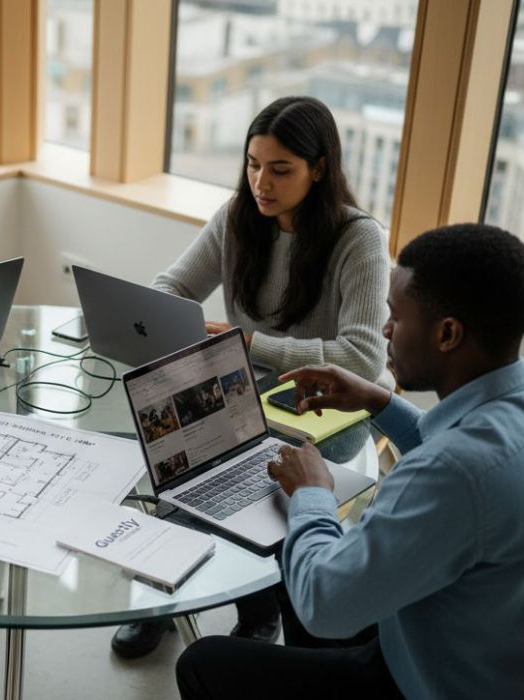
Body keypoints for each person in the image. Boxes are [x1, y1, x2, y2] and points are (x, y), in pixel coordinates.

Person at [177, 224, 524, 699]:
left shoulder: (451, 475)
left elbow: (323, 606)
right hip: (516, 657)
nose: (384, 331)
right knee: (299, 550)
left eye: (396, 318)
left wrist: (313, 493)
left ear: (447, 334)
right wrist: (377, 400)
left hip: (440, 683)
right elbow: (469, 451)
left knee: (203, 662)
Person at [113, 95, 391, 658]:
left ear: (319, 169)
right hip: (241, 388)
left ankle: (255, 607)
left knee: (240, 470)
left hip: (326, 405)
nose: (261, 183)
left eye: (280, 169)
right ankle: (164, 592)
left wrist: (253, 344)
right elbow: (171, 288)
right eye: (252, 164)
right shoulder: (237, 217)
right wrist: (180, 322)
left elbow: (363, 359)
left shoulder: (359, 238)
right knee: (172, 456)